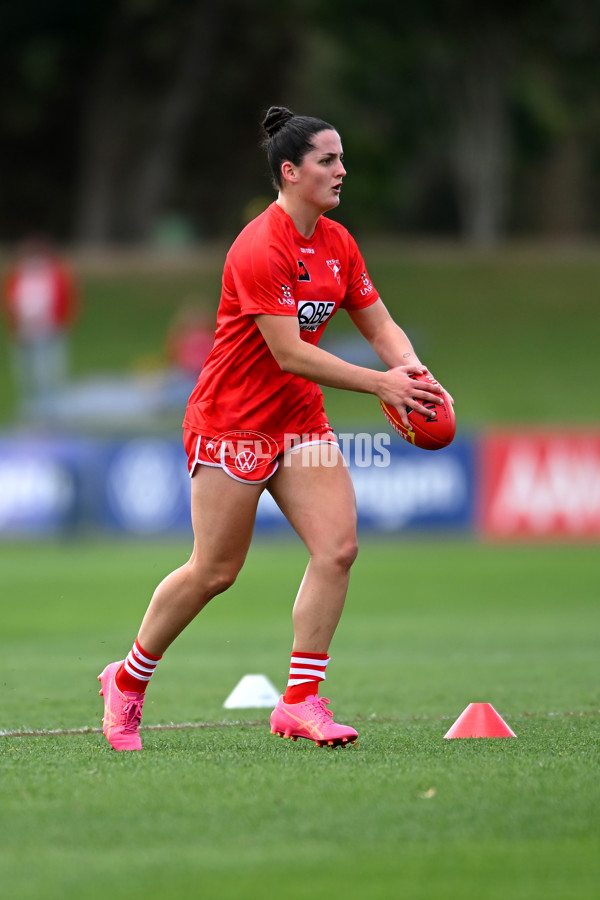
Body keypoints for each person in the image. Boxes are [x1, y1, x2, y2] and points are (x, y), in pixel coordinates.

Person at [98, 106, 449, 751]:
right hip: (231, 422)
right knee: (215, 570)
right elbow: (289, 352)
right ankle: (126, 679)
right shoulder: (261, 246)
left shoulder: (338, 243)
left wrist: (414, 372)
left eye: (342, 158)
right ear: (290, 172)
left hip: (297, 421)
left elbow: (380, 325)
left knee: (337, 548)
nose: (342, 170)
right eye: (328, 160)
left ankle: (300, 702)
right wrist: (380, 384)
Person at [1, 236, 78, 419]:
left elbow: (67, 299)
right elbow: (10, 300)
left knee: (49, 371)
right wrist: (16, 323)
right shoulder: (18, 274)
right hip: (23, 331)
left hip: (50, 330)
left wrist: (60, 323)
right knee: (27, 373)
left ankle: (53, 412)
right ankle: (30, 411)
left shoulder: (56, 274)